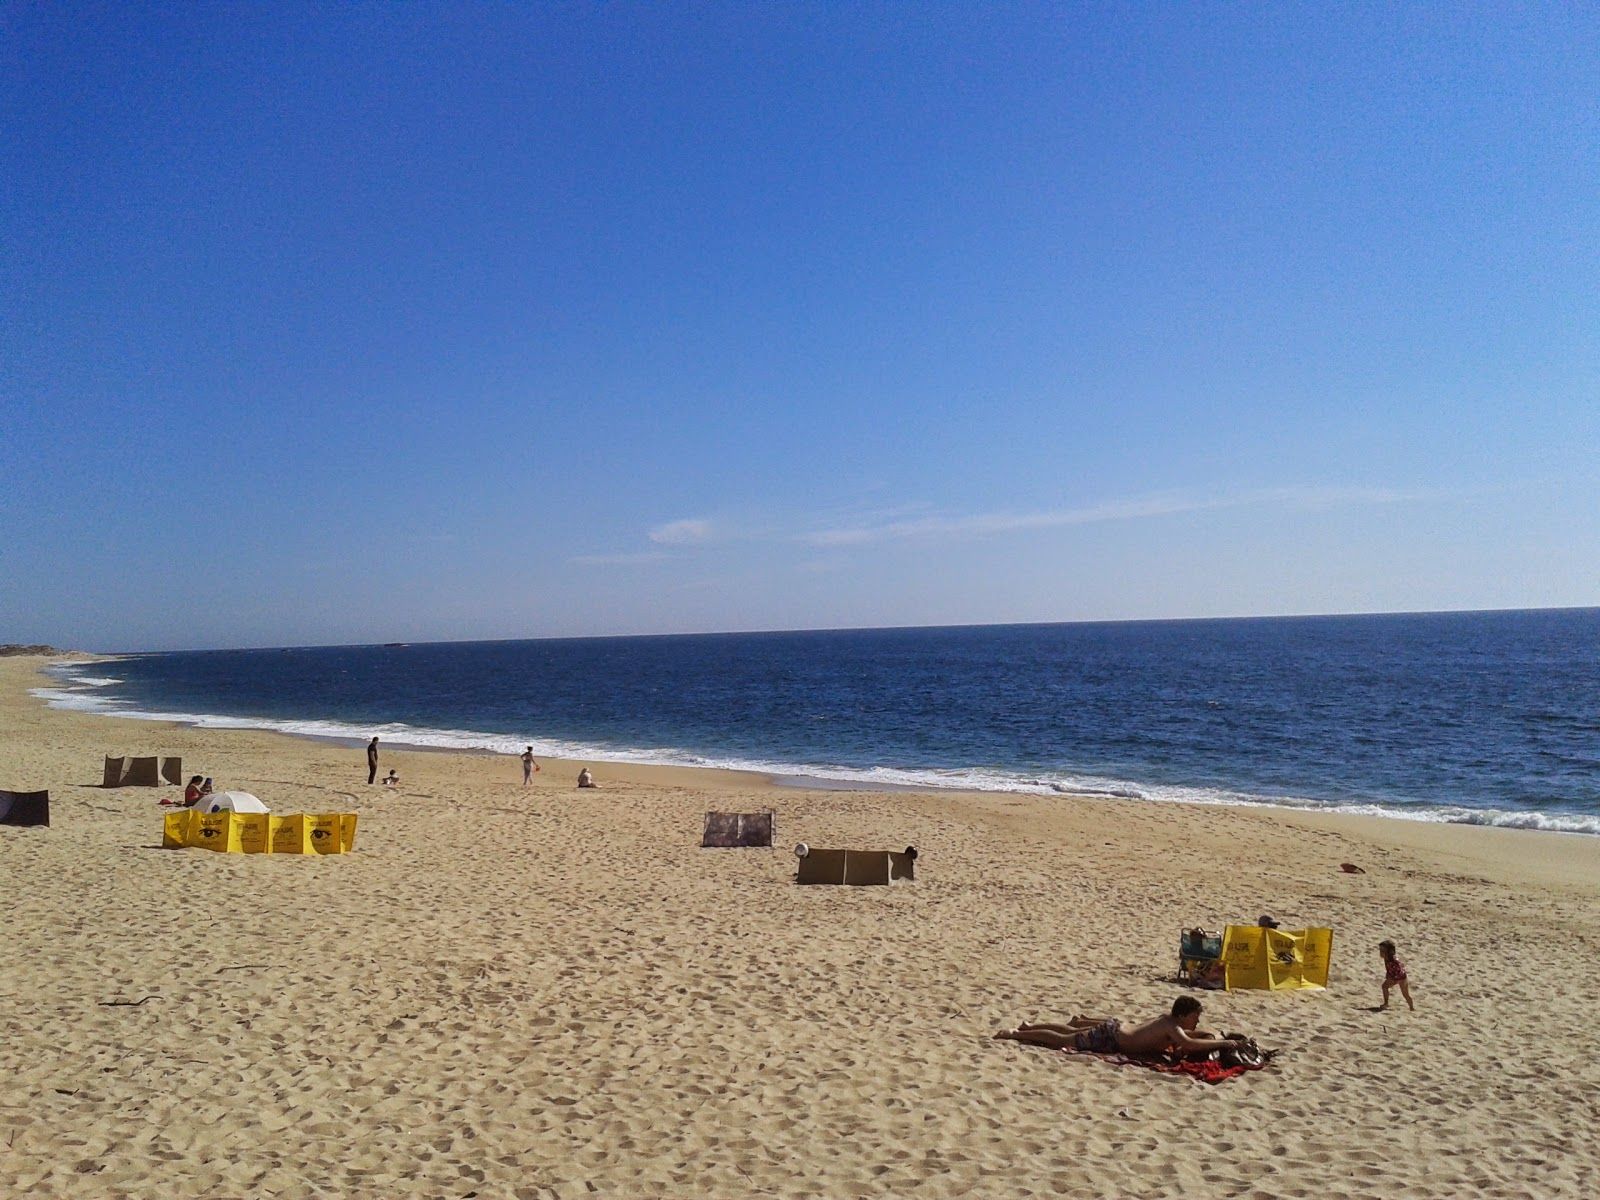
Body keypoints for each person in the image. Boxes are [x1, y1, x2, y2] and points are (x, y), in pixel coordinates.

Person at [994, 997, 1246, 1058]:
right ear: (1183, 1015)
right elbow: (1189, 1043)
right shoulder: (1173, 1028)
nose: (1197, 1021)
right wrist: (1224, 1043)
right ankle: (1018, 1033)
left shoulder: (1168, 1021)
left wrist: (1211, 1034)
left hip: (1117, 1029)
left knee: (1068, 1032)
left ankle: (1028, 1025)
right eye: (1195, 1016)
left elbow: (1191, 1035)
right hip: (1113, 1035)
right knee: (1064, 1040)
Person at [1378, 940, 1415, 1010]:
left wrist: (1393, 979)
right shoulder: (1387, 958)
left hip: (1400, 977)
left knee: (1405, 994)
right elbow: (1389, 969)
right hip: (1398, 976)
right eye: (1380, 950)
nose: (1380, 952)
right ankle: (1386, 1003)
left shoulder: (1393, 960)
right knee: (1384, 987)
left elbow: (1399, 969)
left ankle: (1411, 1008)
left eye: (1382, 951)